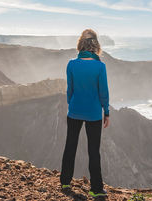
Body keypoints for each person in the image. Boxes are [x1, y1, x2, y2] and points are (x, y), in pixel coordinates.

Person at [60, 29, 110, 198]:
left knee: (70, 146)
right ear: (95, 45)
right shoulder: (100, 66)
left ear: (80, 44)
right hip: (94, 114)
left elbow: (70, 89)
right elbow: (103, 92)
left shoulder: (71, 64)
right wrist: (107, 112)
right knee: (93, 151)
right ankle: (96, 189)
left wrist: (72, 105)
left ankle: (65, 181)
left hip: (74, 111)